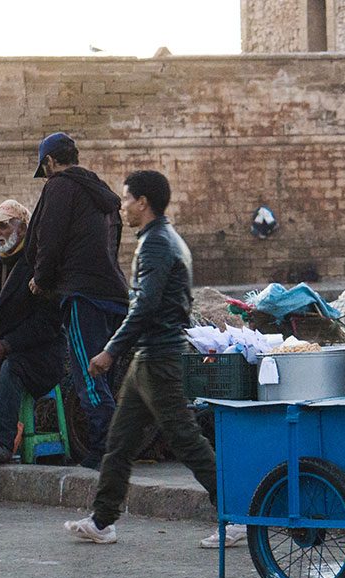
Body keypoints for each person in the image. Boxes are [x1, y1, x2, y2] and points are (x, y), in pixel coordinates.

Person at [65, 170, 245, 549]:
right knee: (120, 440)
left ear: (143, 202)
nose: (124, 206)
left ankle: (238, 514)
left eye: (127, 199)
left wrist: (111, 350)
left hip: (160, 357)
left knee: (185, 439)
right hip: (150, 358)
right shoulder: (162, 239)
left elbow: (144, 306)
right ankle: (102, 521)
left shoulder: (157, 245)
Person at [25, 132, 129, 469]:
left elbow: (48, 241)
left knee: (89, 375)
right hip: (115, 294)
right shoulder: (101, 192)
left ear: (50, 162)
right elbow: (112, 245)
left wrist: (41, 281)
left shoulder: (59, 187)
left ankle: (107, 451)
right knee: (104, 375)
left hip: (84, 296)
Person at [0, 199, 65, 464]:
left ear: (22, 229)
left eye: (4, 226)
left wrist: (7, 345)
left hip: (38, 357)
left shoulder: (39, 269)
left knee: (12, 367)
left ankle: (2, 444)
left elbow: (48, 323)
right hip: (0, 354)